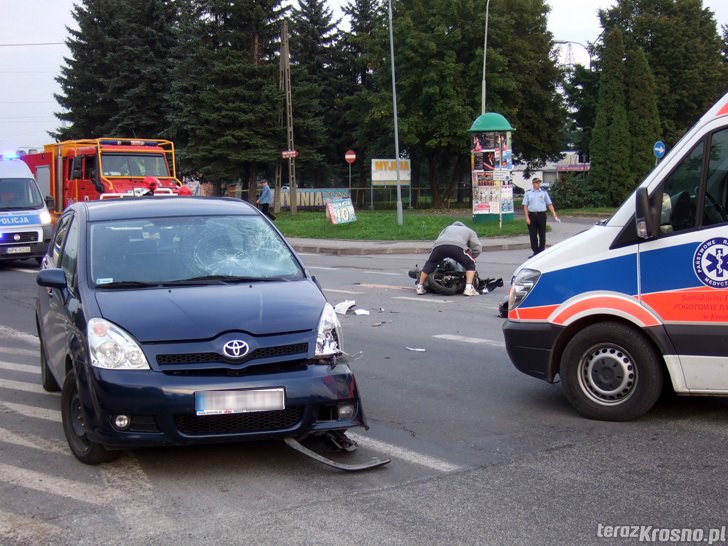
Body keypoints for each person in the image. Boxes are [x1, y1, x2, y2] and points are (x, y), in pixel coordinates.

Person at [417, 221, 482, 296]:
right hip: (457, 247)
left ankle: (420, 287)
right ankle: (468, 288)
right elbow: (478, 247)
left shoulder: (447, 228)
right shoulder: (469, 231)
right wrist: (472, 256)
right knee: (470, 264)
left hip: (439, 246)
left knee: (430, 263)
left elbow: (437, 240)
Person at [522, 177, 559, 257]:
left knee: (542, 234)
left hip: (541, 215)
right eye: (536, 183)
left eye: (539, 183)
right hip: (532, 215)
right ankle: (535, 251)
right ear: (533, 184)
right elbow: (525, 206)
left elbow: (549, 204)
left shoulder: (543, 193)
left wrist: (553, 213)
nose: (537, 184)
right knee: (533, 234)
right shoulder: (528, 193)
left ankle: (541, 252)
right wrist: (527, 217)